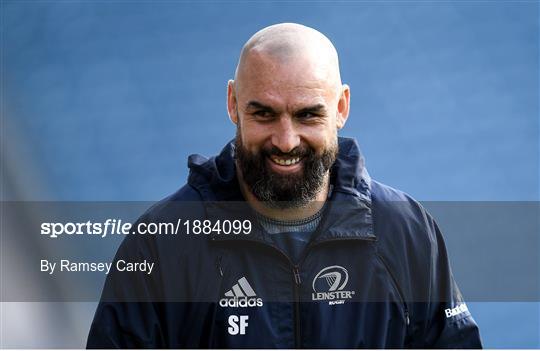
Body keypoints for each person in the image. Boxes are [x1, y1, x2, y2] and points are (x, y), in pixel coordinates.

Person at [87, 23, 482, 348]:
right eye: (264, 114)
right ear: (232, 103)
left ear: (341, 108)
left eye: (308, 115)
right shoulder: (163, 242)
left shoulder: (405, 230)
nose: (286, 140)